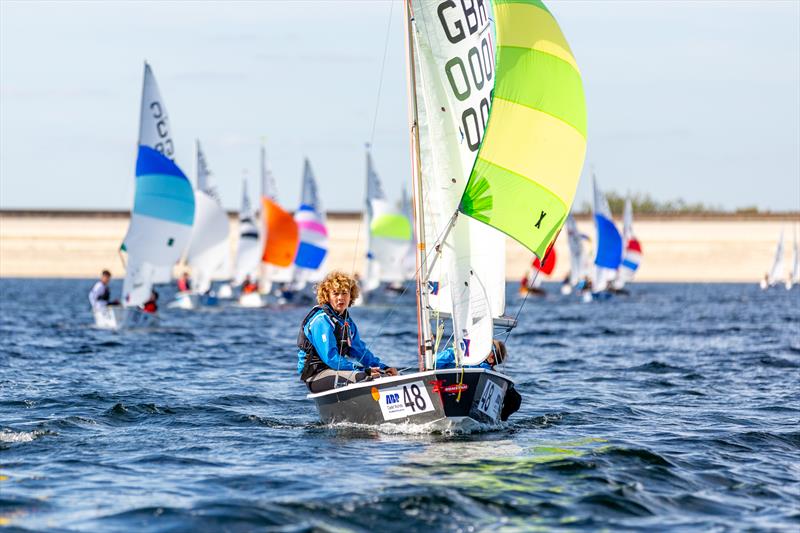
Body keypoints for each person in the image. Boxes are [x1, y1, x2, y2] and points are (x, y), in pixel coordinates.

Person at [297, 271, 398, 393]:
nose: (341, 298)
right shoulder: (321, 321)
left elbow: (361, 352)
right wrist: (362, 371)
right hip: (316, 376)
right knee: (365, 377)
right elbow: (331, 358)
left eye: (345, 293)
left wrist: (383, 368)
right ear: (327, 296)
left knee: (383, 376)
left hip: (337, 371)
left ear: (351, 296)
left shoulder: (347, 323)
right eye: (335, 293)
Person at [435, 339, 508, 370]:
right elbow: (435, 363)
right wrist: (455, 352)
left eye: (489, 346)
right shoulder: (463, 364)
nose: (483, 346)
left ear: (491, 359)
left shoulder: (486, 373)